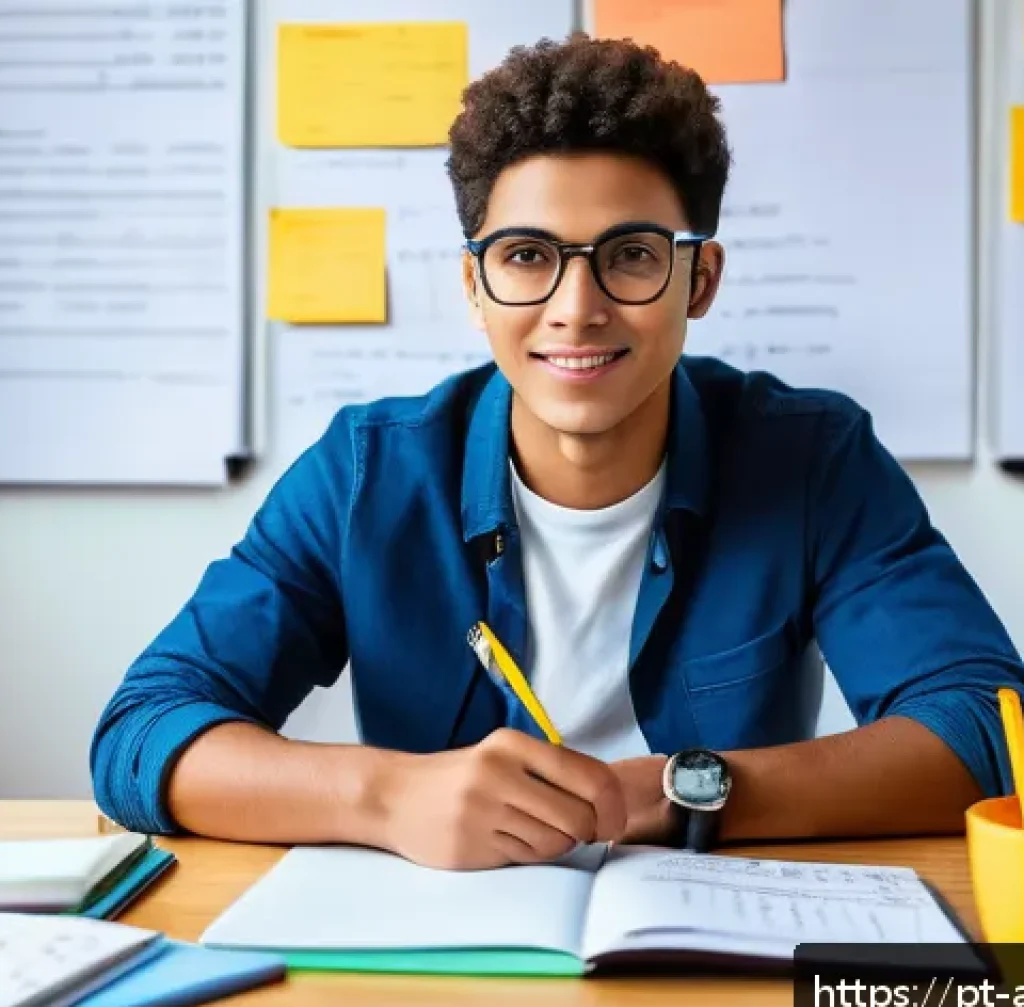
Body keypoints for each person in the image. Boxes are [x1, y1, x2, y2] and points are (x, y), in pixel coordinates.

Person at [91, 33, 1024, 870]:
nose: (576, 307)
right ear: (474, 282)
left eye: (630, 254)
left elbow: (987, 730)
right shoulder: (364, 474)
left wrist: (662, 793)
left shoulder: (814, 458)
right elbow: (144, 732)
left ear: (699, 278)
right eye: (529, 255)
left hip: (713, 953)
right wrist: (387, 798)